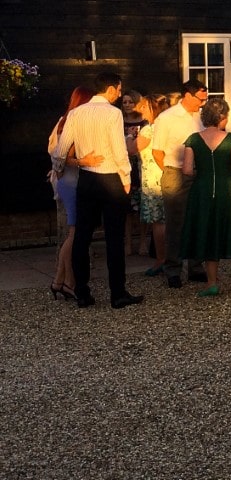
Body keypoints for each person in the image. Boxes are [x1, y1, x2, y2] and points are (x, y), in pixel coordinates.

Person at [52, 71, 144, 309]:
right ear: (112, 89)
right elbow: (118, 147)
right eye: (119, 89)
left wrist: (63, 166)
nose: (120, 93)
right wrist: (126, 176)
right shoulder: (113, 113)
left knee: (82, 236)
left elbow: (61, 149)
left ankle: (82, 292)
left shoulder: (76, 113)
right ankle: (118, 293)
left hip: (86, 180)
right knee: (114, 237)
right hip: (110, 178)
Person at [180, 97, 231, 297]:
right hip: (228, 190)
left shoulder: (193, 139)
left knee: (208, 232)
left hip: (202, 192)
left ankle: (212, 283)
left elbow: (187, 170)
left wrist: (203, 173)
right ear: (221, 117)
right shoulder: (230, 139)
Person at [46, 86, 102, 301]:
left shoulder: (63, 120)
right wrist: (83, 161)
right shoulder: (74, 122)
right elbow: (63, 155)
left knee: (73, 232)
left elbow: (51, 150)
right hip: (73, 180)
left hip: (65, 180)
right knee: (75, 233)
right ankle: (67, 282)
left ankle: (60, 281)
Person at [152, 79, 208, 288]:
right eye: (200, 99)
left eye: (205, 99)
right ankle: (173, 269)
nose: (203, 103)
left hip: (199, 174)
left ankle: (195, 267)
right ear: (187, 95)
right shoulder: (167, 118)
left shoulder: (202, 116)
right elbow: (157, 151)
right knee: (175, 225)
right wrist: (169, 172)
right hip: (175, 172)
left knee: (198, 221)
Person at [133, 93, 169, 277]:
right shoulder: (165, 127)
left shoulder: (148, 130)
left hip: (152, 177)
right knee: (165, 219)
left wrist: (127, 138)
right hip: (165, 175)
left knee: (158, 221)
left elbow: (133, 149)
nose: (141, 110)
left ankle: (161, 259)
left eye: (145, 107)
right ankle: (169, 257)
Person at [122, 89, 148, 256]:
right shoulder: (118, 121)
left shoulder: (144, 123)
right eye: (124, 102)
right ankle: (128, 242)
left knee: (142, 207)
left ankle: (144, 241)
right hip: (125, 166)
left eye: (131, 102)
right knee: (127, 208)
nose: (127, 105)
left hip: (141, 165)